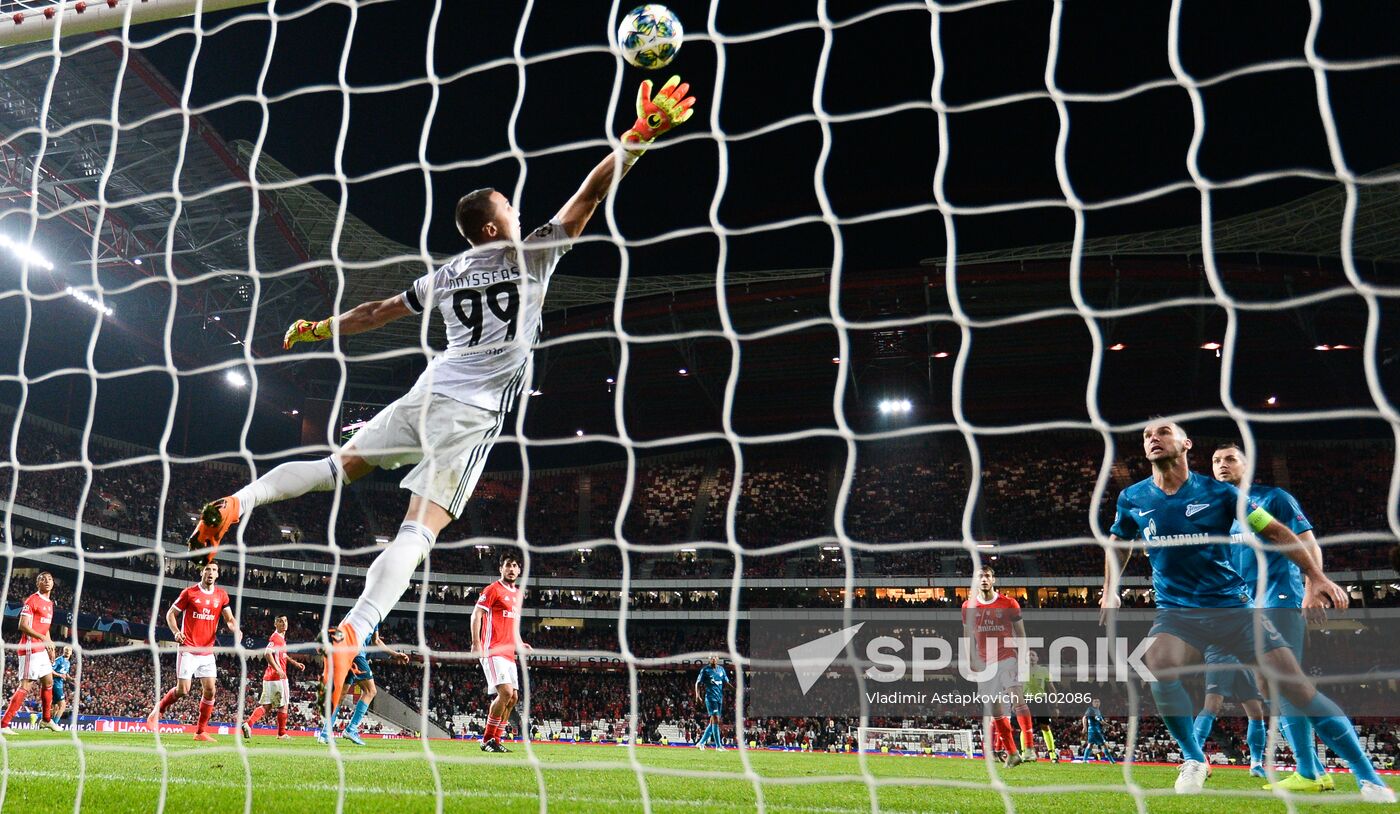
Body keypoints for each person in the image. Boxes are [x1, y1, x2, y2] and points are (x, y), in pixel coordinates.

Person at [182, 76, 698, 718]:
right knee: (418, 531)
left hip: (427, 389)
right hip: (472, 412)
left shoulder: (447, 274)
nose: (517, 209)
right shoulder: (531, 255)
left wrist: (320, 329)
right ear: (493, 224)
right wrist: (635, 141)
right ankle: (354, 630)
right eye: (509, 205)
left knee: (333, 469)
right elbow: (588, 198)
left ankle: (243, 499)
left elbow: (375, 311)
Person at [1100, 419, 1391, 799]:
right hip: (1177, 612)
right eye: (1145, 435)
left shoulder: (1220, 494)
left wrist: (1314, 576)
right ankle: (1194, 758)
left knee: (1296, 689)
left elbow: (1275, 531)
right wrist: (1110, 590)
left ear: (1187, 444)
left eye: (1162, 432)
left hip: (1234, 611)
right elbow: (1118, 544)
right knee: (1157, 664)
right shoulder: (1133, 498)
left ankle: (1368, 776)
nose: (1152, 438)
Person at [1211, 441, 1334, 792]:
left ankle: (1311, 772)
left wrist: (1313, 587)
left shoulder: (1274, 498)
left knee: (1284, 683)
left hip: (1280, 597)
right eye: (1217, 460)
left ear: (1246, 466)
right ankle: (1312, 770)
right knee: (1268, 686)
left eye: (1231, 459)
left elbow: (1308, 542)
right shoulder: (1221, 511)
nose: (1222, 465)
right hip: (1247, 604)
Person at [147, 561, 241, 742]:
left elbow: (229, 619)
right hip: (188, 649)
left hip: (207, 652)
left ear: (218, 574)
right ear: (202, 573)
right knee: (183, 690)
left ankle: (200, 732)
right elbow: (170, 614)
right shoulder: (189, 593)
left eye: (214, 570)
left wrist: (235, 628)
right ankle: (157, 712)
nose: (211, 573)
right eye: (208, 569)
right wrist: (176, 632)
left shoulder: (222, 596)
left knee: (210, 690)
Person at [961, 565, 1034, 767]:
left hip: (1007, 657)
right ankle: (1012, 753)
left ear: (993, 580)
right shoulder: (968, 606)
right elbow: (967, 636)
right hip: (985, 664)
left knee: (1016, 697)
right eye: (980, 577)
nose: (984, 579)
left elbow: (1021, 633)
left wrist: (1023, 656)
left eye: (987, 576)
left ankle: (1029, 747)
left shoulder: (1009, 603)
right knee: (995, 711)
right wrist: (970, 660)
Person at [472, 553, 532, 752]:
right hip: (493, 650)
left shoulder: (517, 594)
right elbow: (476, 614)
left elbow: (513, 625)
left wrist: (520, 643)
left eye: (515, 566)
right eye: (508, 565)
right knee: (505, 692)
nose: (511, 569)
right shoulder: (492, 589)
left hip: (508, 653)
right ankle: (486, 739)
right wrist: (476, 642)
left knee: (513, 698)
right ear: (501, 569)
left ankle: (496, 740)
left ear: (519, 570)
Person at [317, 626, 409, 746]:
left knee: (340, 696)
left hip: (344, 654)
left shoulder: (366, 616)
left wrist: (394, 654)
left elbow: (376, 641)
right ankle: (351, 729)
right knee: (370, 691)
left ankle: (325, 734)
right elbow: (375, 641)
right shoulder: (371, 614)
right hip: (356, 654)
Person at [0, 571, 63, 734]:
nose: (47, 581)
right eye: (43, 579)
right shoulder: (32, 600)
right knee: (26, 685)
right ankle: (3, 724)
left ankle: (46, 720)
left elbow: (45, 627)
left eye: (50, 579)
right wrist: (43, 638)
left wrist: (50, 644)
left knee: (48, 682)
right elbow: (23, 625)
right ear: (38, 583)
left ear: (53, 583)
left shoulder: (49, 603)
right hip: (30, 648)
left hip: (41, 649)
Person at [241, 616, 305, 741]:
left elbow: (283, 656)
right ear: (275, 624)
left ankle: (248, 724)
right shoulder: (275, 638)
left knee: (267, 706)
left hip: (269, 678)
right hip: (278, 678)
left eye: (285, 621)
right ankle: (281, 734)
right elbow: (267, 653)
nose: (283, 623)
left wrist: (295, 663)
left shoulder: (281, 639)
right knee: (284, 705)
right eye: (280, 621)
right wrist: (278, 669)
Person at [693, 654, 730, 750]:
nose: (713, 658)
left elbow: (726, 683)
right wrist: (697, 695)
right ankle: (718, 746)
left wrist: (735, 690)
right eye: (711, 657)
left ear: (718, 659)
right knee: (715, 720)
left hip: (719, 699)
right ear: (709, 660)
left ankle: (700, 743)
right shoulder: (705, 670)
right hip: (710, 698)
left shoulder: (721, 670)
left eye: (715, 657)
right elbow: (697, 683)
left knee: (713, 722)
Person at [1082, 698, 1114, 764]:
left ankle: (1084, 760)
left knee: (1090, 744)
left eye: (1098, 702)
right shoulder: (1091, 709)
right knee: (1104, 745)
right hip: (1095, 730)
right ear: (1092, 703)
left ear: (1100, 703)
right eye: (1095, 702)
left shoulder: (1097, 710)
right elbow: (1085, 717)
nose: (1097, 703)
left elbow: (1101, 722)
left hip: (1093, 730)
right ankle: (1112, 761)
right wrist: (1110, 726)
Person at [51, 645, 73, 725]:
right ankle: (54, 724)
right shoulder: (59, 660)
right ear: (63, 651)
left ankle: (37, 717)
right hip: (55, 684)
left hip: (59, 684)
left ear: (71, 653)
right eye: (66, 650)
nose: (67, 651)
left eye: (69, 650)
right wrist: (59, 675)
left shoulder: (68, 662)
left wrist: (72, 679)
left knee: (55, 707)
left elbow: (65, 674)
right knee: (63, 705)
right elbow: (50, 670)